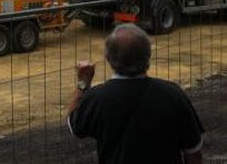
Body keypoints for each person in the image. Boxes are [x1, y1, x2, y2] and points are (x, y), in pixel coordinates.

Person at [67, 23, 204, 164]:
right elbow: (194, 153)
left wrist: (83, 83)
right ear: (148, 56)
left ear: (108, 58)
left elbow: (74, 126)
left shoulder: (97, 98)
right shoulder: (173, 94)